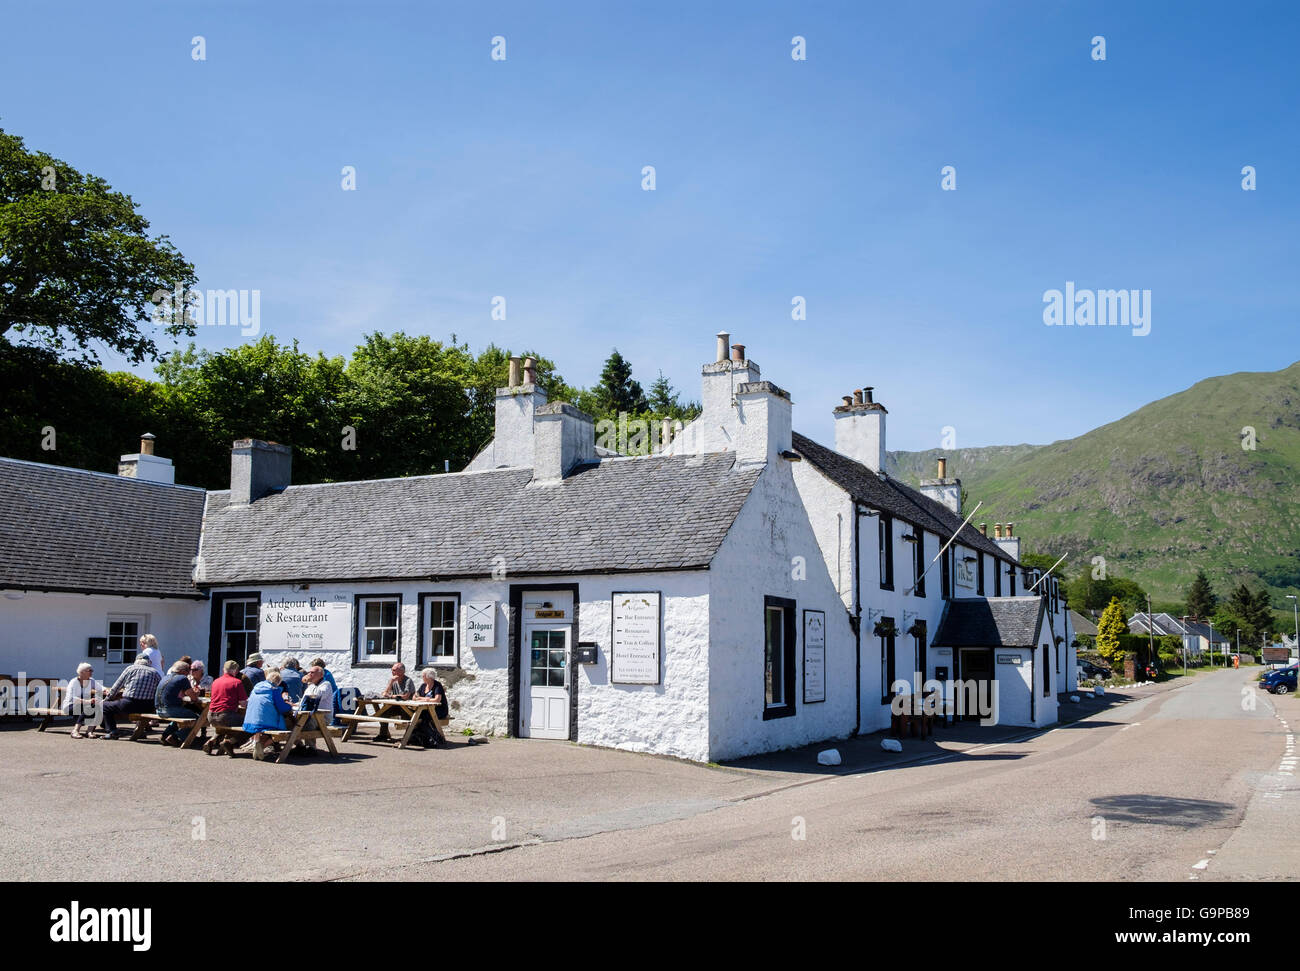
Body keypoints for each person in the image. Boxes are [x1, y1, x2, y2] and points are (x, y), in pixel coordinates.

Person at [101, 655, 163, 739]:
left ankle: (112, 731)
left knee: (104, 706)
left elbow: (116, 687)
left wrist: (106, 700)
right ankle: (140, 731)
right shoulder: (155, 672)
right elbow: (160, 690)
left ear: (136, 661)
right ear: (149, 662)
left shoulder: (130, 669)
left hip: (129, 704)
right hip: (148, 706)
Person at [239, 669, 295, 755]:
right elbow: (282, 708)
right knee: (286, 727)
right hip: (266, 722)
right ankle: (262, 746)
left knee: (261, 725)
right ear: (279, 682)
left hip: (249, 721)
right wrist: (289, 705)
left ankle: (257, 744)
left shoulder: (256, 687)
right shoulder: (274, 690)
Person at [204, 660, 249, 756]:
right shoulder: (237, 682)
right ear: (236, 671)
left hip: (211, 716)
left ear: (223, 669)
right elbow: (243, 703)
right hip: (226, 715)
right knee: (250, 725)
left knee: (228, 725)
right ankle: (230, 742)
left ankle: (212, 740)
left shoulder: (216, 681)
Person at [154, 661, 200, 747]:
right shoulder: (182, 678)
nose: (188, 674)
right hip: (169, 710)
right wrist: (196, 694)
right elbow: (193, 698)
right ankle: (176, 736)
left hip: (158, 709)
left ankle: (165, 735)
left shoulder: (166, 677)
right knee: (197, 718)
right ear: (183, 671)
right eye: (188, 672)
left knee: (179, 716)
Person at [293, 664, 336, 756]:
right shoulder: (311, 686)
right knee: (290, 719)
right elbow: (304, 701)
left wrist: (308, 682)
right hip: (310, 713)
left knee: (308, 720)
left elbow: (318, 696)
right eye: (309, 672)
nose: (309, 674)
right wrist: (293, 705)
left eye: (312, 672)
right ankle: (299, 745)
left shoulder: (326, 684)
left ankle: (311, 747)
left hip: (323, 716)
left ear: (320, 675)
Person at [376, 662, 416, 742]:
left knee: (409, 717)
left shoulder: (408, 681)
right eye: (392, 670)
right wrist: (391, 683)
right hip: (396, 706)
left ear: (401, 671)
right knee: (382, 713)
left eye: (394, 670)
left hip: (407, 707)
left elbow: (405, 696)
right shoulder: (392, 680)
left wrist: (390, 696)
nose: (392, 672)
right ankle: (383, 735)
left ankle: (408, 738)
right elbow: (384, 694)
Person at [63, 663, 104, 739]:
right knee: (88, 706)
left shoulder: (91, 681)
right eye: (90, 670)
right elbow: (72, 698)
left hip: (84, 705)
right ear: (82, 672)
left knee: (97, 706)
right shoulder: (74, 682)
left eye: (92, 670)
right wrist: (87, 701)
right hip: (70, 706)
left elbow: (101, 688)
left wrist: (107, 691)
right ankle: (75, 731)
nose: (92, 672)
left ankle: (90, 731)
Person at [411, 668, 449, 748]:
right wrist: (417, 697)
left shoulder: (437, 685)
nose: (422, 677)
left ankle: (431, 739)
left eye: (423, 676)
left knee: (423, 717)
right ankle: (415, 738)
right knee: (414, 715)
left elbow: (437, 700)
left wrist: (422, 699)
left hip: (439, 710)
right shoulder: (423, 686)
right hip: (426, 710)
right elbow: (415, 696)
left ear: (429, 677)